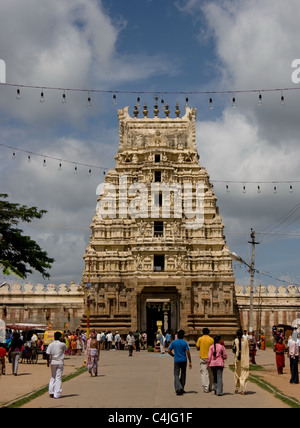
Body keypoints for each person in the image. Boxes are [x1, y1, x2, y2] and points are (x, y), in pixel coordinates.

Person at [168, 329, 192, 395]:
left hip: (177, 360)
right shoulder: (185, 343)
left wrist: (174, 355)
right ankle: (181, 388)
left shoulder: (173, 342)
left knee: (176, 374)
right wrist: (190, 361)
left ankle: (178, 388)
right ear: (183, 336)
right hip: (184, 360)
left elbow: (169, 351)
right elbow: (188, 352)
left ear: (177, 335)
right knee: (183, 374)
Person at [46, 331, 68, 399]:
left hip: (53, 361)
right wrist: (63, 341)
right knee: (58, 377)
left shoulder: (51, 344)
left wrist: (48, 362)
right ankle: (57, 394)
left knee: (53, 376)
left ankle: (51, 391)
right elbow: (66, 349)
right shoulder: (62, 344)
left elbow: (47, 353)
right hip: (60, 362)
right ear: (59, 337)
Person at [196, 328, 214, 393]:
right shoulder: (211, 339)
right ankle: (210, 387)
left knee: (204, 373)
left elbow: (197, 347)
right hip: (210, 358)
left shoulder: (200, 339)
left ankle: (206, 388)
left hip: (203, 357)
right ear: (209, 332)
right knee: (210, 373)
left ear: (202, 332)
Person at [233, 330, 249, 395]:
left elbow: (234, 350)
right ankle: (243, 390)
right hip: (245, 359)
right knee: (244, 374)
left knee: (237, 374)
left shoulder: (235, 341)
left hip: (237, 359)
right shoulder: (245, 340)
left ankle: (237, 389)